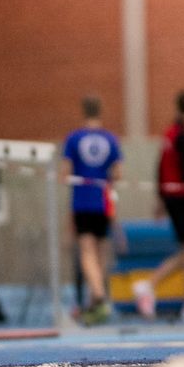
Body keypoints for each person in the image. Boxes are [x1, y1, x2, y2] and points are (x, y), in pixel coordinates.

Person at [133, 89, 184, 326]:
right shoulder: (183, 135)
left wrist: (160, 199)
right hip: (181, 196)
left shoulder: (170, 131)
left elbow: (160, 167)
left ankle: (149, 286)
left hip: (171, 196)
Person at [62, 95, 122, 325]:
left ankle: (97, 294)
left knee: (87, 250)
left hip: (83, 201)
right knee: (100, 252)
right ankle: (96, 298)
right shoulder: (110, 139)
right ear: (101, 111)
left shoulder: (74, 139)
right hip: (103, 201)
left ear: (83, 111)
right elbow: (118, 173)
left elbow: (66, 173)